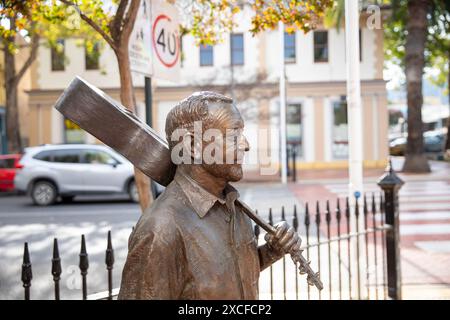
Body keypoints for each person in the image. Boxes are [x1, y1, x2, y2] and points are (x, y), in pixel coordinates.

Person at [118, 92, 301, 299]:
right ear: (193, 145)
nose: (246, 144)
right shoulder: (161, 230)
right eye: (233, 136)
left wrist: (272, 251)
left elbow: (225, 278)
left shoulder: (233, 207)